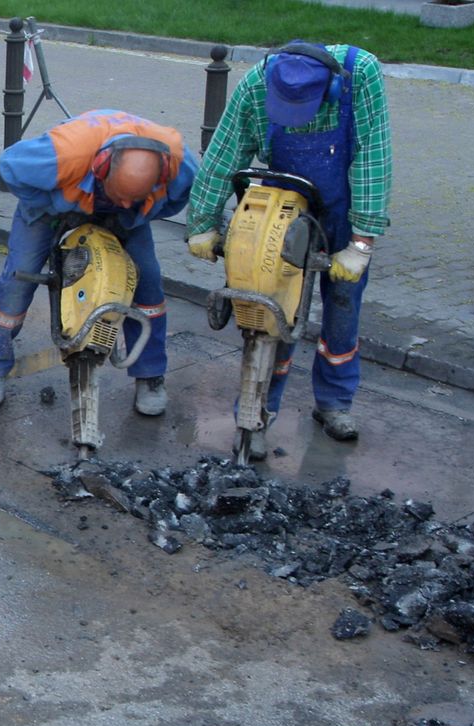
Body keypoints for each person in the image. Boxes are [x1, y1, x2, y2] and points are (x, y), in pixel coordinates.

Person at [186, 41, 392, 452]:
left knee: (343, 304)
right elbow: (225, 153)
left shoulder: (359, 73)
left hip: (342, 206)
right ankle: (258, 410)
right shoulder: (256, 85)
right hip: (284, 206)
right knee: (271, 307)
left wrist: (361, 243)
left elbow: (372, 157)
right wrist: (203, 223)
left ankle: (333, 402)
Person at [0, 110, 198, 416]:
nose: (123, 201)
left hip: (126, 218)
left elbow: (183, 196)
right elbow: (9, 167)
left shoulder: (177, 162)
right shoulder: (64, 154)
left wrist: (135, 212)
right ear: (100, 169)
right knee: (19, 281)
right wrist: (58, 204)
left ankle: (150, 375)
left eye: (130, 196)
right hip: (53, 206)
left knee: (147, 282)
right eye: (120, 194)